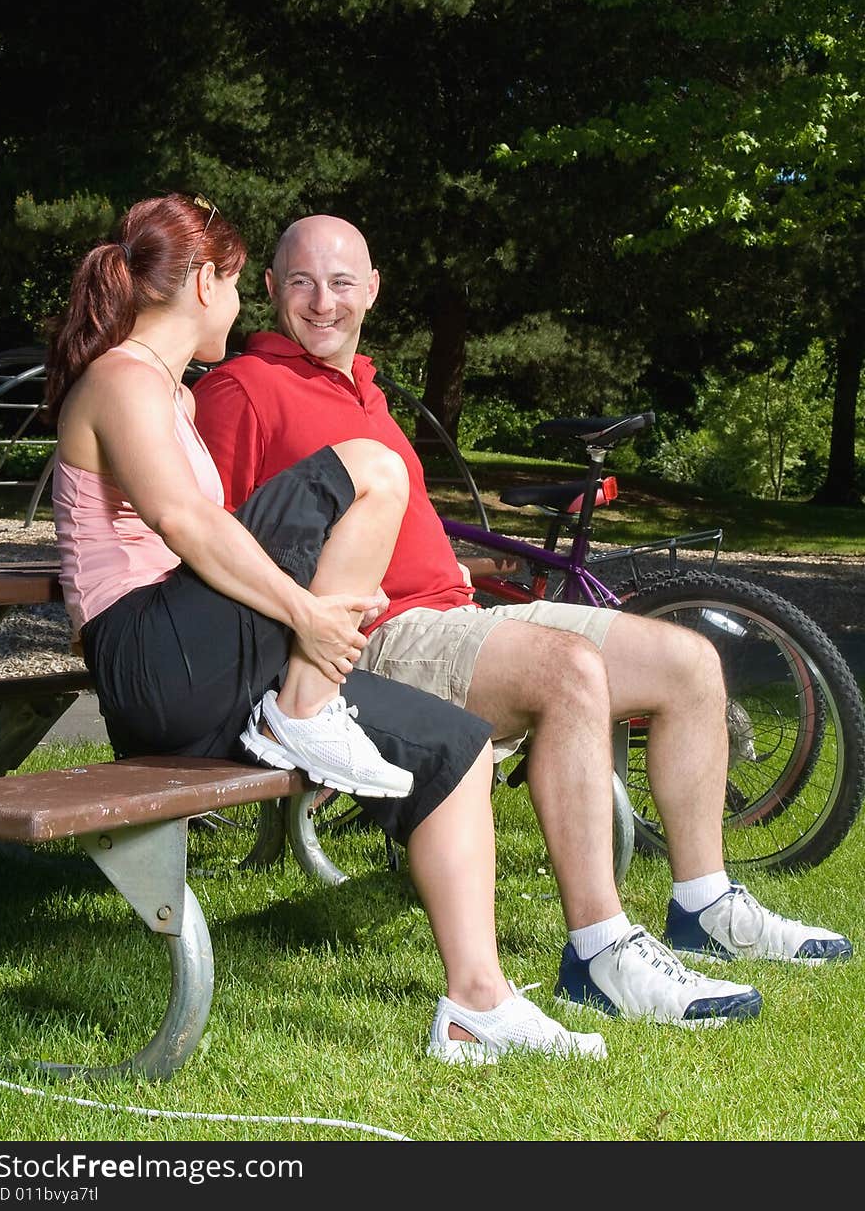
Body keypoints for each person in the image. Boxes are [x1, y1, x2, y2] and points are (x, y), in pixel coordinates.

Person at [193, 212, 853, 1030]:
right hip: (373, 638)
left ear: (372, 290)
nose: (321, 302)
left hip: (452, 614)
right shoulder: (239, 390)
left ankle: (705, 902)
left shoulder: (367, 388)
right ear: (269, 290)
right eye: (300, 282)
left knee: (689, 664)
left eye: (340, 283)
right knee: (566, 669)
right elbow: (209, 538)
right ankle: (600, 952)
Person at [45, 191, 615, 1068]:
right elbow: (187, 526)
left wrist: (329, 594)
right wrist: (308, 613)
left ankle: (478, 1004)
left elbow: (220, 537)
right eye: (236, 286)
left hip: (209, 657)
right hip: (151, 660)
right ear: (203, 281)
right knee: (374, 467)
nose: (237, 308)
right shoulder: (121, 378)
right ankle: (306, 709)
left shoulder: (174, 396)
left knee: (455, 748)